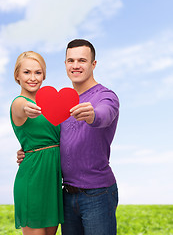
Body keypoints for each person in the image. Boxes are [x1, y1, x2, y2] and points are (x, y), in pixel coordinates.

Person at [17, 39, 119, 235]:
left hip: (98, 194)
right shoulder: (62, 101)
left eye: (82, 60)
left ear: (93, 64)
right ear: (65, 64)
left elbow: (105, 114)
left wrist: (93, 115)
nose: (75, 65)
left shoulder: (106, 96)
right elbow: (55, 139)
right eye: (70, 60)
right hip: (65, 194)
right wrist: (29, 152)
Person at [10, 51, 64, 235]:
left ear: (44, 75)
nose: (32, 78)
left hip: (53, 181)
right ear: (17, 75)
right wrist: (26, 108)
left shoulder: (52, 104)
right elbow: (18, 109)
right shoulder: (19, 102)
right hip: (33, 180)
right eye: (26, 72)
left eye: (38, 72)